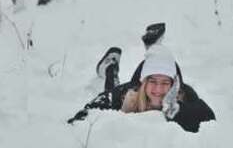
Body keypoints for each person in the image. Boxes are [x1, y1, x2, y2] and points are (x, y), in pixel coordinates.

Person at [68, 23, 215, 133]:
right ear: (144, 83)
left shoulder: (185, 94)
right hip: (128, 92)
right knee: (112, 87)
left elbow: (209, 118)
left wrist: (176, 111)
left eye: (165, 83)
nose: (158, 89)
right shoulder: (125, 94)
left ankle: (153, 48)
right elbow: (81, 118)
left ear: (173, 85)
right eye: (153, 81)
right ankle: (110, 66)